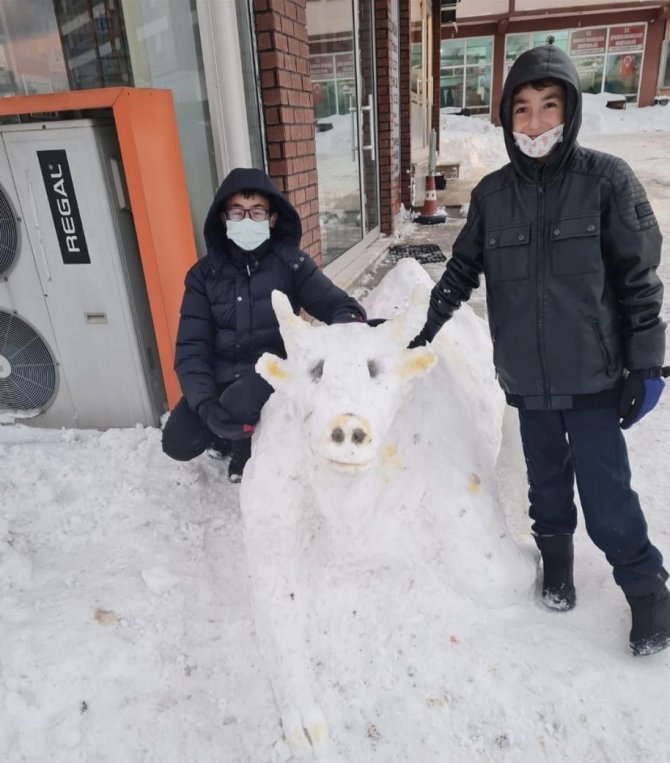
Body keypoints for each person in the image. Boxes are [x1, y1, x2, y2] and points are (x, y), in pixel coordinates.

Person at [410, 44, 670, 656]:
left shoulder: (606, 180)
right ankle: (557, 563)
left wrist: (647, 362)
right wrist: (424, 326)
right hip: (526, 377)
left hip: (592, 374)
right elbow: (462, 268)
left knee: (607, 495)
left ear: (570, 112)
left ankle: (647, 589)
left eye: (548, 107)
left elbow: (640, 280)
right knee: (546, 485)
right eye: (521, 110)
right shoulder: (492, 195)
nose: (534, 124)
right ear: (507, 117)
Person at [162, 167, 366, 481]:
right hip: (220, 378)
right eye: (238, 212)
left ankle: (245, 444)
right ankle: (226, 433)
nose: (247, 220)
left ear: (271, 219)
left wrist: (336, 338)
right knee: (177, 442)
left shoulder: (291, 264)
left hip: (268, 374)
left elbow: (343, 308)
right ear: (223, 218)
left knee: (241, 400)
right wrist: (205, 406)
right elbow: (191, 350)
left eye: (257, 212)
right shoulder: (203, 276)